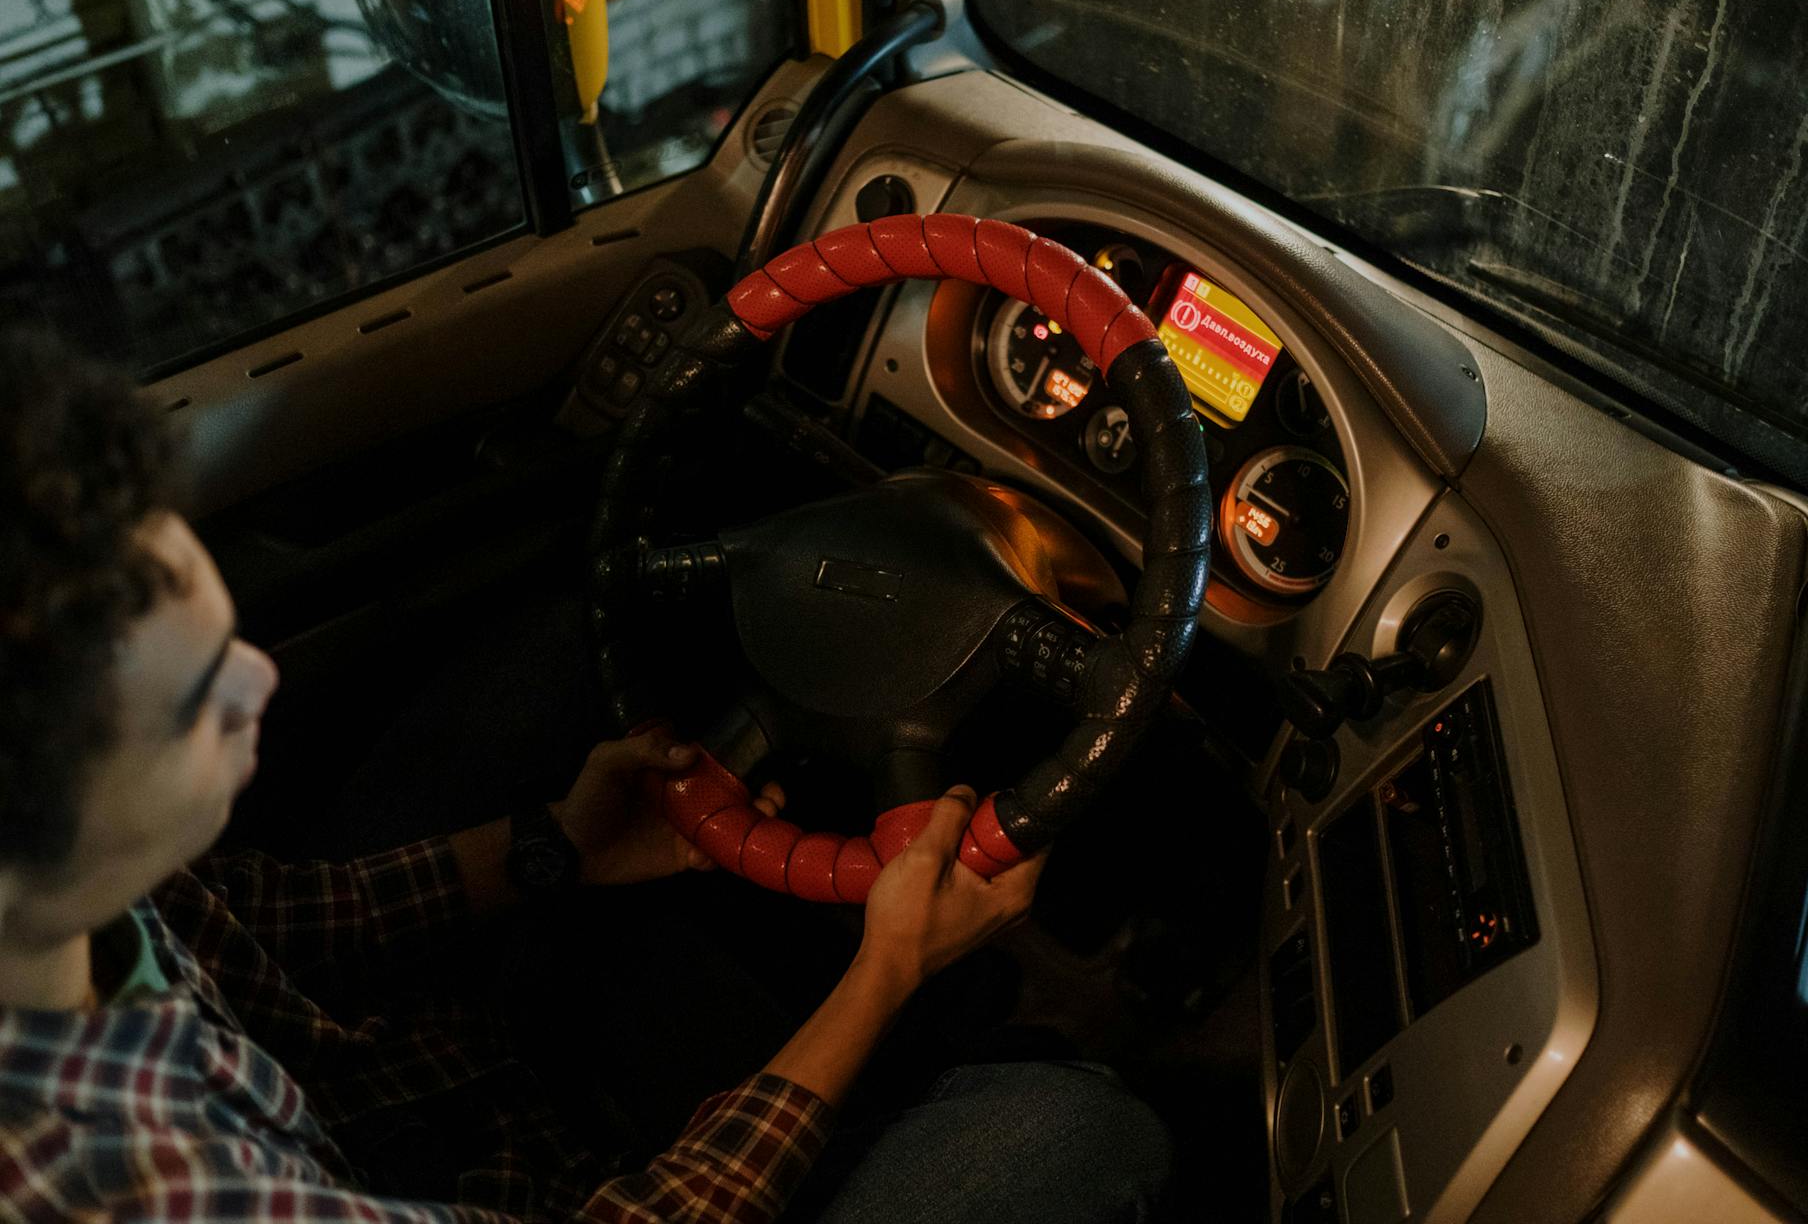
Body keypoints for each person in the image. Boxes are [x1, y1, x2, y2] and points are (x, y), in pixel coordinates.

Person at [0, 347, 1172, 1221]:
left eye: (226, 634)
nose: (260, 678)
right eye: (199, 697)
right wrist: (884, 973)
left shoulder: (65, 896)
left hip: (381, 1093)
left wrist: (554, 844)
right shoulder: (129, 1189)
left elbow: (267, 920)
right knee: (1081, 1131)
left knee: (568, 638)